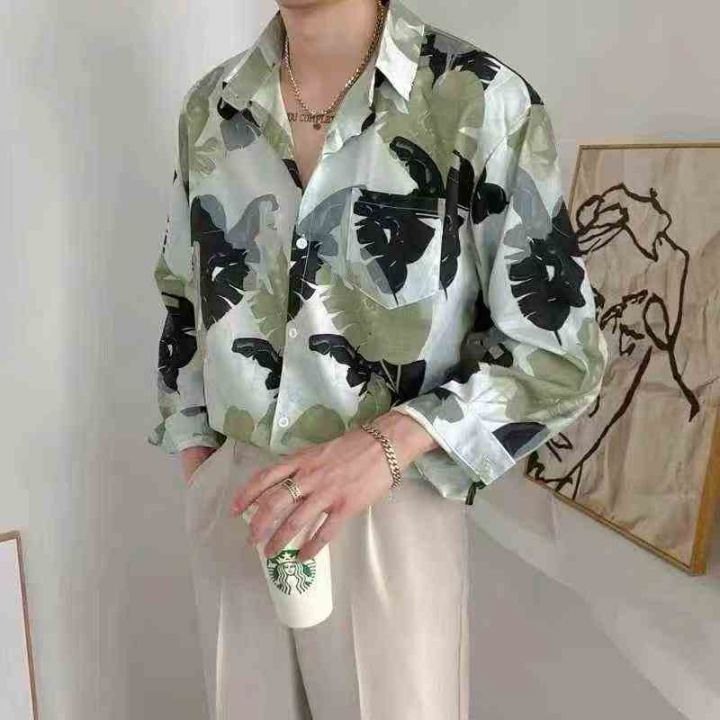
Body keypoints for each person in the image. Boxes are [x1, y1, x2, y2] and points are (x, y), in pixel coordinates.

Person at [147, 0, 608, 717]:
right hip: (241, 502)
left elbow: (559, 354)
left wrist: (389, 445)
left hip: (391, 504)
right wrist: (202, 465)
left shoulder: (478, 99)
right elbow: (184, 299)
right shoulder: (211, 107)